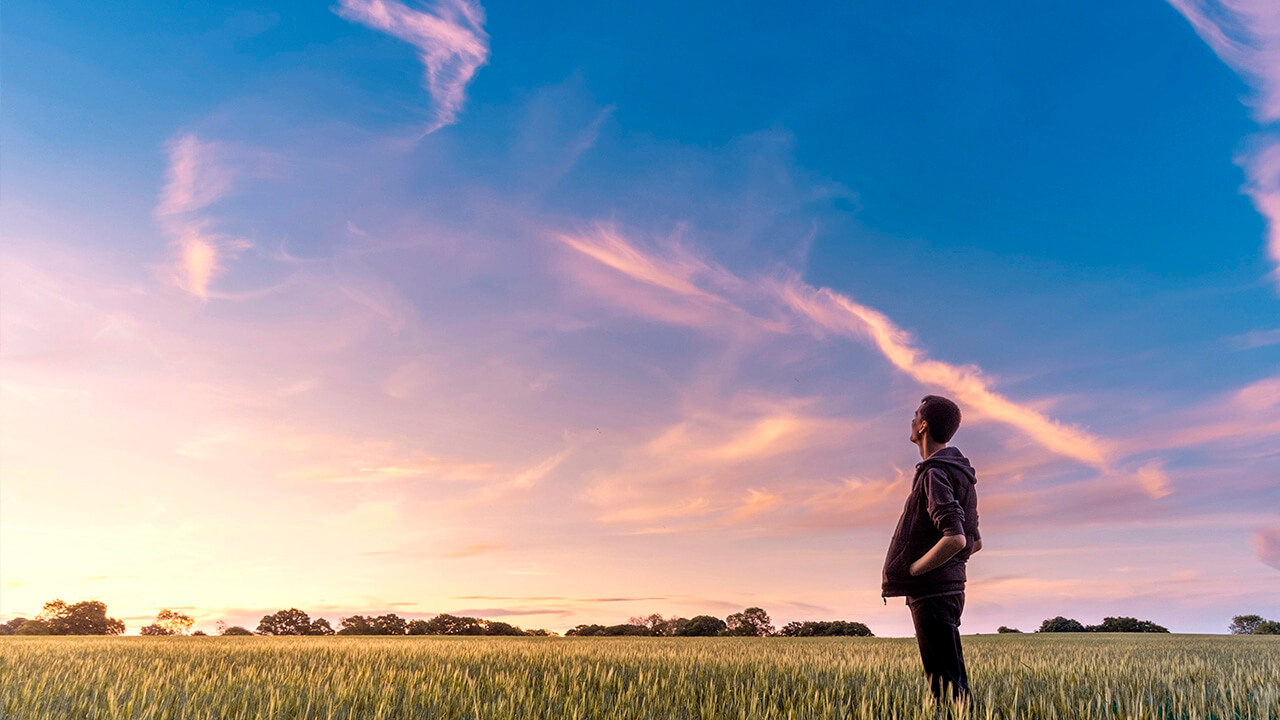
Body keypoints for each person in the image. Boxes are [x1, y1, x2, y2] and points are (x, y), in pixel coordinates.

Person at [881, 395, 981, 711]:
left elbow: (957, 539)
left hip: (933, 592)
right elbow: (975, 541)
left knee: (944, 688)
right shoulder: (960, 473)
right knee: (954, 682)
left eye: (915, 416)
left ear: (923, 425)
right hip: (949, 589)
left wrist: (914, 571)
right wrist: (951, 570)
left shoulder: (935, 472)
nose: (911, 421)